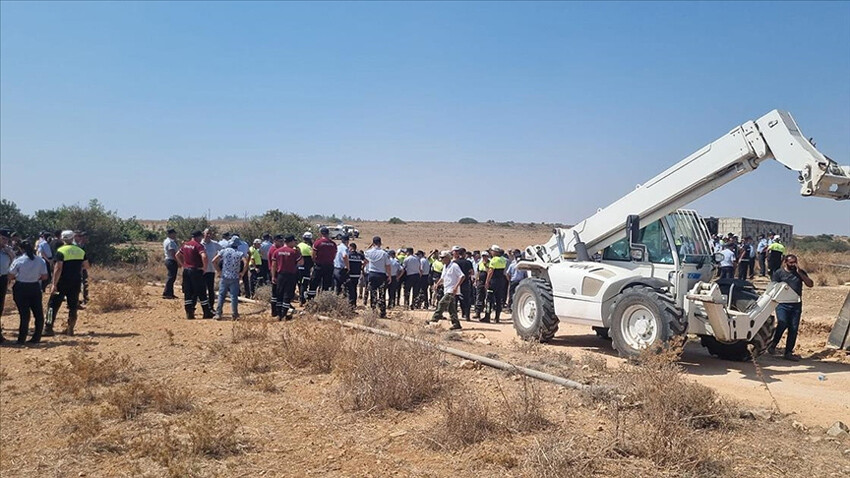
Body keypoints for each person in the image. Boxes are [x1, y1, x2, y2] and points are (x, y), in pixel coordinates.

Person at [767, 254, 813, 361]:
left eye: (795, 262)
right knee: (782, 323)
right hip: (782, 303)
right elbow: (773, 287)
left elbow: (810, 284)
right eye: (791, 262)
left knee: (793, 328)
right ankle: (773, 344)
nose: (793, 265)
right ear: (785, 262)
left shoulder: (800, 272)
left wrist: (800, 273)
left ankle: (788, 352)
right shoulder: (779, 273)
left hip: (796, 304)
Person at [45, 230, 89, 336]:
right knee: (73, 306)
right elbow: (86, 266)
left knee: (52, 306)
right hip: (75, 282)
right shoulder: (80, 251)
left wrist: (54, 284)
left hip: (61, 283)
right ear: (73, 238)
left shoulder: (61, 251)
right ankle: (70, 328)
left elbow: (58, 268)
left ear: (62, 238)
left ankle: (48, 328)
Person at [7, 241, 49, 344]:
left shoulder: (19, 260)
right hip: (34, 287)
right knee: (38, 313)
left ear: (21, 249)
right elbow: (45, 276)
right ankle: (36, 337)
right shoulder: (40, 260)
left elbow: (11, 275)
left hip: (21, 288)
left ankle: (21, 339)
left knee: (24, 314)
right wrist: (35, 277)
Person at [175, 230, 213, 320]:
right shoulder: (198, 245)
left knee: (188, 292)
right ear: (199, 237)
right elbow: (204, 256)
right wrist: (204, 268)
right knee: (201, 291)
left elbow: (177, 255)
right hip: (196, 270)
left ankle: (189, 313)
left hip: (186, 271)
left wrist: (183, 264)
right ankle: (206, 312)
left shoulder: (185, 245)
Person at [213, 241, 248, 320]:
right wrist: (242, 273)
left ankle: (218, 314)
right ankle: (235, 314)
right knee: (234, 296)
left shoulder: (223, 251)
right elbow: (246, 262)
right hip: (234, 277)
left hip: (224, 276)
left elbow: (213, 261)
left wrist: (219, 271)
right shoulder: (239, 253)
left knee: (221, 295)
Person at [429, 251, 463, 330]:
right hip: (447, 288)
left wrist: (456, 287)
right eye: (440, 258)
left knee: (442, 303)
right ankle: (456, 324)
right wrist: (437, 284)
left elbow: (462, 276)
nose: (441, 259)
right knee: (451, 308)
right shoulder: (445, 266)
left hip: (452, 290)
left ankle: (434, 319)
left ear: (447, 258)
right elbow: (442, 277)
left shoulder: (454, 266)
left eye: (443, 258)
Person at [270, 234, 302, 319]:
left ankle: (279, 313)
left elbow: (273, 265)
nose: (295, 243)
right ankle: (284, 314)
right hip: (291, 275)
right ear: (291, 242)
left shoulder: (277, 251)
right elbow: (301, 262)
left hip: (280, 275)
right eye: (294, 241)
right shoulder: (294, 252)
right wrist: (299, 252)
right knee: (287, 295)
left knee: (279, 294)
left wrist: (273, 276)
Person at [363, 236, 391, 318]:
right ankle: (382, 312)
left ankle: (373, 311)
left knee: (373, 293)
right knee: (382, 293)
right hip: (381, 275)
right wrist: (389, 276)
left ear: (373, 243)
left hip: (372, 274)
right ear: (380, 243)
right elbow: (388, 266)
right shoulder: (384, 253)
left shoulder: (368, 252)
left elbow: (365, 258)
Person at [309, 227, 336, 299]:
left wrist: (315, 262)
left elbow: (313, 255)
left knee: (314, 283)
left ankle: (311, 299)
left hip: (319, 266)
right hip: (329, 266)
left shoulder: (317, 243)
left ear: (321, 233)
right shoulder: (333, 244)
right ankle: (324, 300)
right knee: (326, 284)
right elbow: (334, 255)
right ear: (328, 234)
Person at [484, 245, 509, 323]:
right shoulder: (503, 260)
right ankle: (497, 317)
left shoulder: (494, 260)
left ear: (495, 252)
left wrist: (487, 281)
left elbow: (490, 271)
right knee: (499, 300)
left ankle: (487, 316)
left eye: (492, 251)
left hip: (493, 281)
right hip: (501, 281)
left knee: (489, 299)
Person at [0, 229, 17, 343]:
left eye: (6, 239)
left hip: (3, 278)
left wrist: (10, 254)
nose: (5, 241)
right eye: (3, 238)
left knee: (0, 305)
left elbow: (14, 263)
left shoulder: (8, 250)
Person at [201, 228, 222, 304]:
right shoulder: (200, 243)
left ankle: (211, 305)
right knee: (202, 288)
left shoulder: (215, 244)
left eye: (210, 234)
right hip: (201, 270)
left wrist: (218, 258)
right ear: (203, 234)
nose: (209, 235)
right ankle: (204, 304)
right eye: (207, 233)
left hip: (211, 270)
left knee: (210, 289)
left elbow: (223, 250)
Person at [453, 247, 474, 320]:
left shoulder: (455, 262)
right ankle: (467, 315)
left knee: (455, 299)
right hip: (465, 282)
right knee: (466, 300)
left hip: (456, 282)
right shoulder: (468, 262)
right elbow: (472, 272)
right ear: (464, 254)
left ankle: (454, 316)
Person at [267, 235, 283, 317]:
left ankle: (276, 310)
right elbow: (274, 264)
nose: (282, 243)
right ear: (275, 241)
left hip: (275, 272)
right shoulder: (274, 250)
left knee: (277, 292)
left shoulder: (275, 249)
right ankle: (275, 310)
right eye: (280, 241)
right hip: (275, 272)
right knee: (276, 292)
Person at [297, 232, 314, 305]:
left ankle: (300, 298)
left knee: (299, 283)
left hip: (297, 268)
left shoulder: (298, 245)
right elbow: (313, 256)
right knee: (304, 284)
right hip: (306, 268)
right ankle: (302, 299)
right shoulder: (308, 247)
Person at [74, 231, 90, 307]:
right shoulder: (76, 246)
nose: (81, 238)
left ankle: (84, 299)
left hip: (82, 267)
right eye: (79, 236)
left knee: (84, 283)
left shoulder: (82, 245)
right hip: (77, 268)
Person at [162, 228, 180, 299]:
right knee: (171, 277)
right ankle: (166, 293)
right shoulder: (170, 242)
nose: (175, 235)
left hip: (169, 260)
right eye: (174, 233)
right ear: (170, 234)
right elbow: (173, 253)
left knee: (172, 277)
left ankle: (170, 293)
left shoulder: (167, 241)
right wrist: (178, 261)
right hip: (171, 260)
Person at [346, 242, 364, 307]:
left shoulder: (349, 254)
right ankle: (354, 303)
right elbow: (366, 261)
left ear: (351, 247)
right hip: (357, 275)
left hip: (350, 274)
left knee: (349, 289)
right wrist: (362, 267)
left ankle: (350, 304)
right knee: (354, 288)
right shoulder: (359, 255)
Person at [474, 251, 491, 319]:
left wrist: (486, 265)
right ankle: (478, 312)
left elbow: (490, 272)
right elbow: (478, 272)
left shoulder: (490, 263)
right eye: (483, 256)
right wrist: (476, 280)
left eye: (485, 256)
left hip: (488, 282)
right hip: (480, 282)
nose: (484, 257)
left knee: (488, 298)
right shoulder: (480, 263)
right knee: (479, 297)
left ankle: (487, 314)